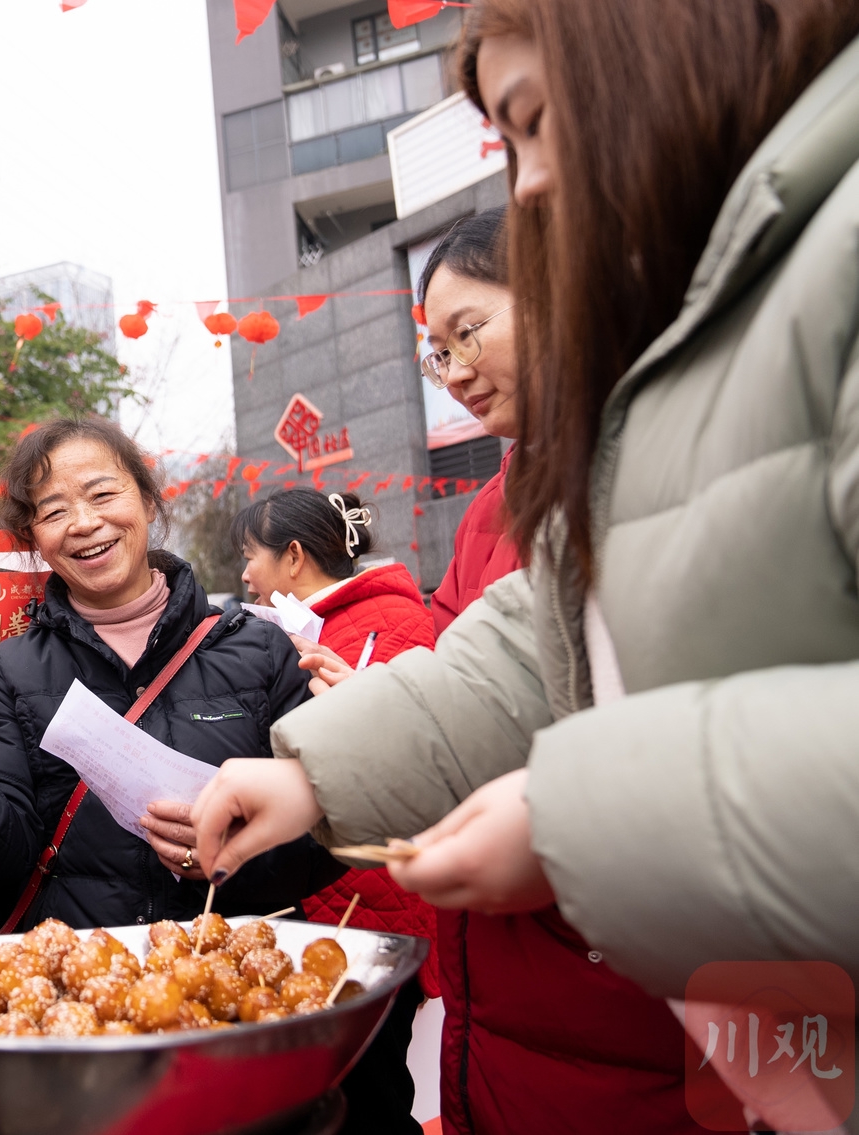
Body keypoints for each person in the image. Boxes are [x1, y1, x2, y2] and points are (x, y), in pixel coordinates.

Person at [192, 2, 859, 1132]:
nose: (533, 189)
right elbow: (537, 636)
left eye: (540, 125)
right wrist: (319, 773)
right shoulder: (681, 340)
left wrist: (574, 814)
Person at [0, 417, 344, 934]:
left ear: (149, 501)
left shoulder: (262, 649)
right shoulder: (7, 671)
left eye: (103, 494)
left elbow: (333, 828)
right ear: (33, 538)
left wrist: (237, 856)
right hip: (85, 983)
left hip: (236, 974)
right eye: (54, 510)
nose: (84, 523)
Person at [231, 487, 435, 1135]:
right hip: (330, 887)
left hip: (365, 893)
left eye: (249, 555)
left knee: (369, 1092)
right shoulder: (305, 624)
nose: (242, 574)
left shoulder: (387, 623)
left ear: (293, 556)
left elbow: (408, 758)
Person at [418, 207, 523, 636]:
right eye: (442, 354)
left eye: (466, 334)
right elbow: (449, 660)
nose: (455, 375)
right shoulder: (484, 513)